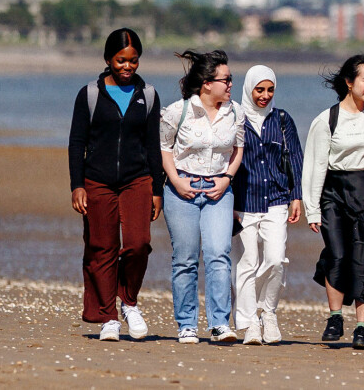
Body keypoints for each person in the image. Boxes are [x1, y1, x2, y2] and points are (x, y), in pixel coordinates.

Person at [67, 28, 165, 342]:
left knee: (138, 244)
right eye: (121, 60)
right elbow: (76, 143)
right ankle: (109, 316)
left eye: (133, 61)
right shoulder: (89, 94)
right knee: (102, 248)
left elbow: (153, 145)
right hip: (97, 181)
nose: (127, 67)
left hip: (138, 179)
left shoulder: (148, 95)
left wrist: (157, 189)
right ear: (108, 59)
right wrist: (77, 185)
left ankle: (129, 302)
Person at [158, 49, 246, 344]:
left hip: (219, 191)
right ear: (207, 83)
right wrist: (175, 181)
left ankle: (220, 324)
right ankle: (186, 325)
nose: (231, 84)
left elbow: (238, 149)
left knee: (219, 254)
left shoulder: (235, 112)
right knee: (185, 259)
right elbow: (164, 148)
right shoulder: (177, 111)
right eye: (227, 79)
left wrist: (227, 179)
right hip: (181, 189)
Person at [302, 55, 364, 349]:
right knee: (337, 256)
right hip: (333, 192)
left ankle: (362, 327)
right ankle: (335, 317)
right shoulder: (327, 119)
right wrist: (312, 208)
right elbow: (314, 166)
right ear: (349, 83)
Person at [232, 65, 302, 345]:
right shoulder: (235, 119)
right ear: (249, 88)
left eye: (270, 89)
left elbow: (295, 157)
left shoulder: (282, 120)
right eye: (259, 89)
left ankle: (267, 311)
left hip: (276, 199)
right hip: (243, 201)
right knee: (246, 263)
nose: (265, 95)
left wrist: (296, 195)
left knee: (275, 259)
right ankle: (249, 323)